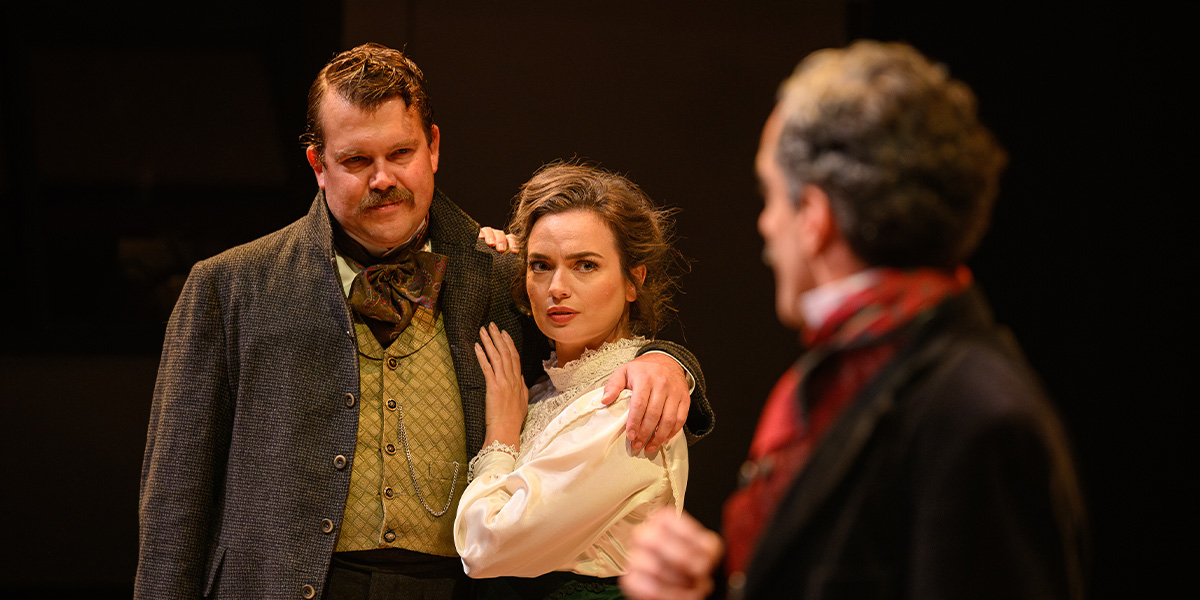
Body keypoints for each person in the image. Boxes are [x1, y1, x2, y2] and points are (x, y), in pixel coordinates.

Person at [136, 43, 713, 600]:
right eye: (357, 160)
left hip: (453, 591)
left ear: (432, 147)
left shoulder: (503, 275)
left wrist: (664, 359)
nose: (382, 178)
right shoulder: (231, 286)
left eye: (400, 154)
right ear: (318, 163)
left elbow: (585, 346)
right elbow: (174, 499)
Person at [619, 40, 1087, 600]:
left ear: (813, 218)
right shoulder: (861, 367)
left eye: (769, 195)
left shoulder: (976, 413)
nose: (766, 225)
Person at [453, 163, 690, 599]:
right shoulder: (548, 388)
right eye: (540, 265)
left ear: (633, 279)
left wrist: (501, 437)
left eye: (585, 265)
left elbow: (483, 546)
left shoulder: (626, 404)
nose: (556, 287)